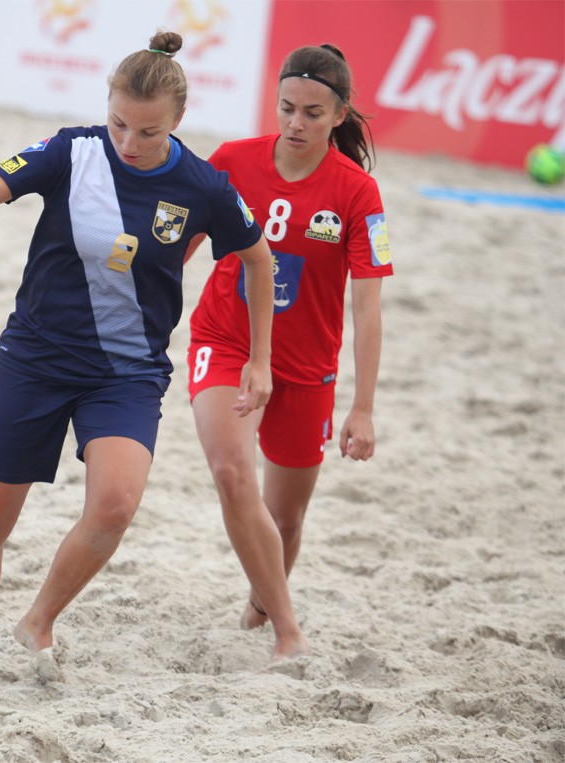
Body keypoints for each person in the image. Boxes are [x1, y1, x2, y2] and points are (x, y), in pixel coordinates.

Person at [0, 30, 292, 670]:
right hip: (35, 358)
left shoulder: (203, 186)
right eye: (119, 123)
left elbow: (260, 260)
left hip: (126, 374)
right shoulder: (74, 150)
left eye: (148, 133)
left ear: (178, 121)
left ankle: (39, 621)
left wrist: (260, 359)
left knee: (116, 505)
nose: (128, 142)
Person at [186, 44, 394, 648]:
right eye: (286, 108)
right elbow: (179, 247)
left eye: (311, 112)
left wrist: (362, 407)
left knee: (287, 519)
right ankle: (287, 629)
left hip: (307, 368)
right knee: (230, 470)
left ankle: (259, 607)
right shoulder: (232, 160)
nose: (296, 123)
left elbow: (368, 305)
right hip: (226, 339)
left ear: (339, 116)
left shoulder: (357, 193)